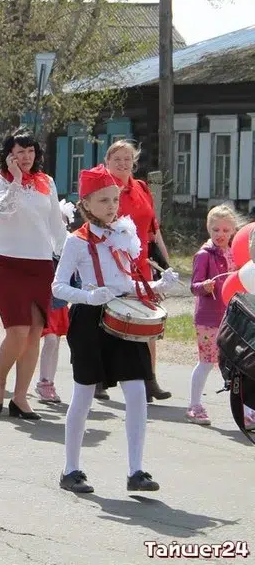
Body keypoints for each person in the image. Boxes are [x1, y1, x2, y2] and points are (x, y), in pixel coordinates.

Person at [52, 164, 178, 494]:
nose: (112, 206)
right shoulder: (76, 242)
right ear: (86, 204)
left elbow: (126, 284)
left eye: (115, 200)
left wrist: (157, 284)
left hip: (124, 319)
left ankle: (136, 471)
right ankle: (70, 469)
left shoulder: (122, 235)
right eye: (104, 200)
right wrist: (88, 295)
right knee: (83, 394)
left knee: (136, 391)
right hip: (89, 321)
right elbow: (58, 287)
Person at [0, 128, 66, 419]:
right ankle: (0, 384)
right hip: (7, 264)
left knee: (34, 334)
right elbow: (2, 210)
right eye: (20, 152)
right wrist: (17, 180)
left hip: (40, 265)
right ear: (9, 155)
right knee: (17, 331)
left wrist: (68, 257)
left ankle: (20, 398)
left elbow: (56, 224)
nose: (26, 157)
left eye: (30, 151)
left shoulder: (46, 182)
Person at [105, 139, 172, 402]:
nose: (123, 164)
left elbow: (154, 231)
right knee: (108, 320)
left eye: (127, 159)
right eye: (117, 159)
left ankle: (149, 379)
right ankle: (99, 377)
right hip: (113, 263)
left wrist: (166, 265)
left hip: (142, 263)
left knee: (148, 321)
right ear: (107, 162)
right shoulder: (104, 189)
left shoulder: (142, 187)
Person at [187, 205, 240, 425]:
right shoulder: (203, 255)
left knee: (239, 365)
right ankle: (194, 406)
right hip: (208, 318)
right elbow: (194, 286)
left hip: (232, 317)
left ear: (233, 231)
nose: (221, 234)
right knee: (207, 362)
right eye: (216, 229)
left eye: (226, 230)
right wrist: (204, 286)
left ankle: (246, 409)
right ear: (209, 229)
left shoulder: (236, 253)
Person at [36, 199, 77, 405]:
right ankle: (41, 382)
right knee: (49, 340)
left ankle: (48, 382)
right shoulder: (40, 244)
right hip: (42, 299)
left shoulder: (67, 247)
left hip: (59, 301)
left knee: (55, 342)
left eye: (63, 222)